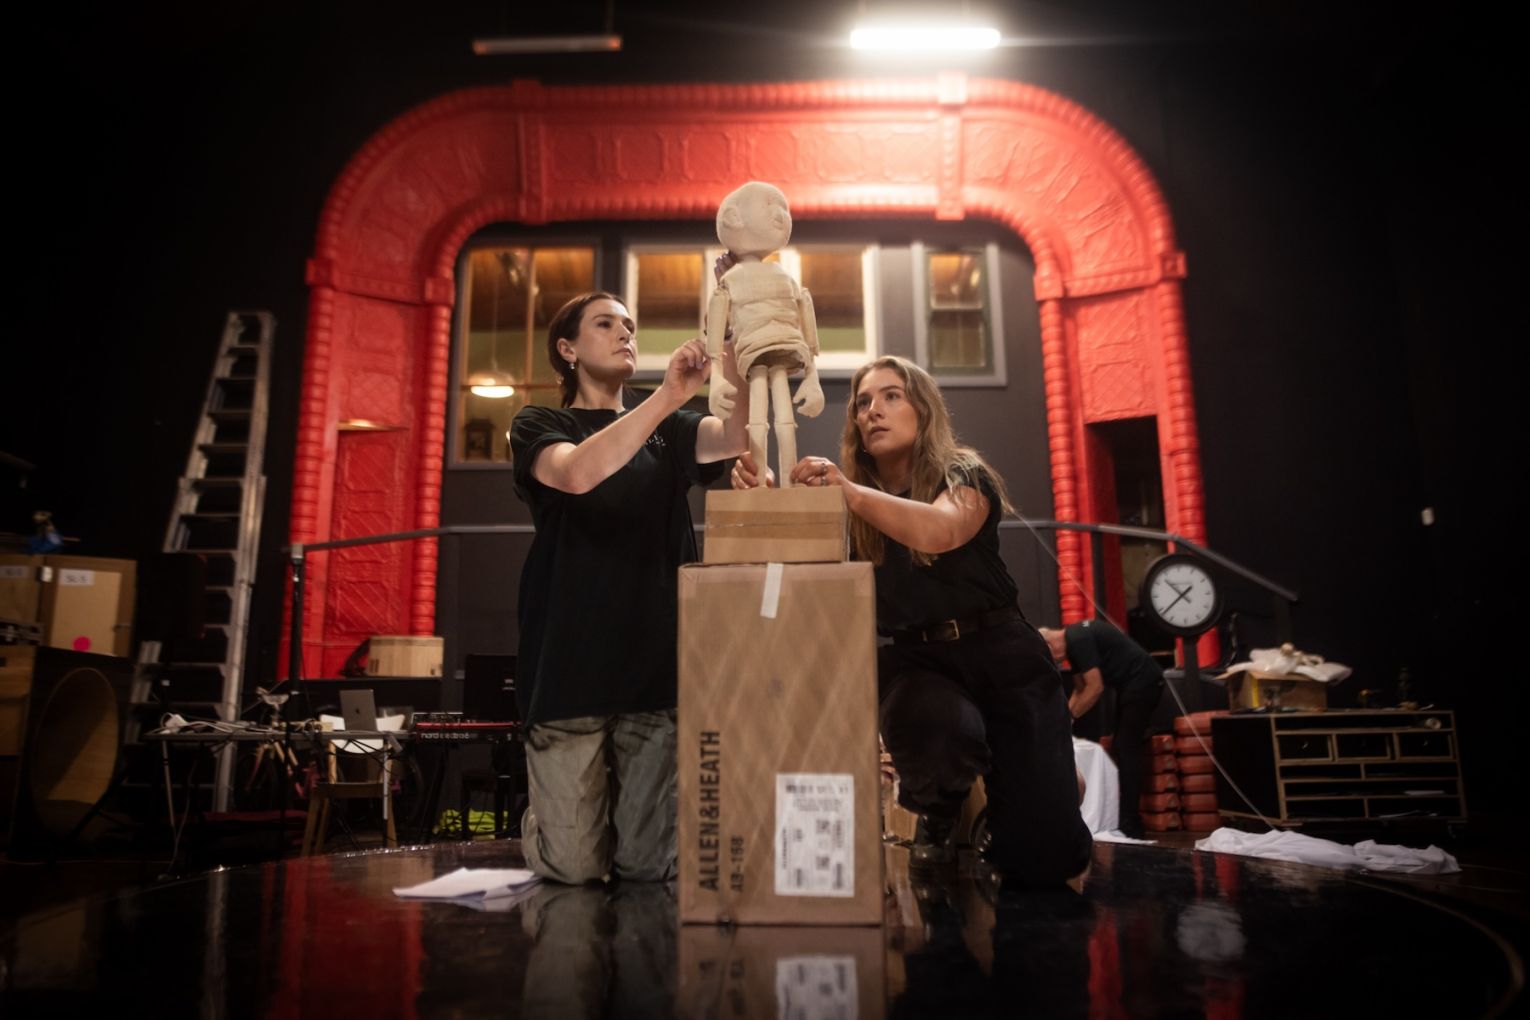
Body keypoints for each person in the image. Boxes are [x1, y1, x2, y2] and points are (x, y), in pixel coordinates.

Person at [733, 355, 1091, 889]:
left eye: (891, 396)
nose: (873, 410)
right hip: (918, 660)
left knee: (1050, 857)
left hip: (1003, 650)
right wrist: (767, 500)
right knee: (934, 721)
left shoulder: (963, 471)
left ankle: (1024, 808)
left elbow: (942, 531)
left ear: (923, 410)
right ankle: (938, 810)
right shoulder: (845, 501)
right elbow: (802, 574)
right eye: (862, 402)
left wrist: (848, 492)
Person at [510, 289, 747, 884]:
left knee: (647, 866)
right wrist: (667, 397)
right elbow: (578, 472)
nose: (625, 333)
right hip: (570, 668)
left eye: (630, 325)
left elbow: (737, 436)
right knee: (575, 870)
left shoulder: (673, 428)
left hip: (654, 665)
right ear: (567, 349)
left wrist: (735, 349)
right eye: (605, 323)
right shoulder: (540, 423)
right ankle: (544, 824)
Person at [1039, 619, 1164, 839]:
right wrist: (1061, 720)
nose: (1055, 663)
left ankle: (1131, 824)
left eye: (1049, 657)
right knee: (1121, 747)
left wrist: (1068, 717)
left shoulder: (1077, 639)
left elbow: (1095, 688)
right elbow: (1080, 689)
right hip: (1131, 686)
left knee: (1127, 750)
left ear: (1050, 644)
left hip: (1143, 682)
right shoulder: (1074, 644)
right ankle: (1128, 820)